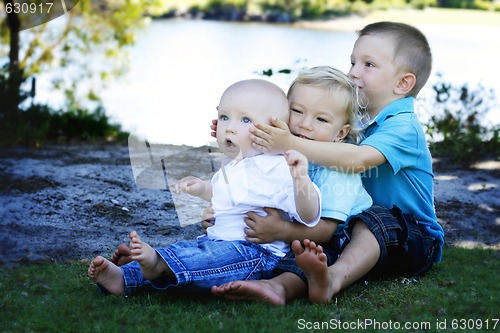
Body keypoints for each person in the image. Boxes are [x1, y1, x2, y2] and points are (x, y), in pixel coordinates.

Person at [211, 21, 445, 305]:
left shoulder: (403, 125)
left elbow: (358, 160)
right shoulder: (350, 120)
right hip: (345, 227)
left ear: (402, 83)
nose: (353, 72)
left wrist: (288, 142)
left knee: (373, 220)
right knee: (313, 248)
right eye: (353, 61)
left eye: (368, 64)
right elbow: (298, 129)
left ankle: (334, 278)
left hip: (411, 237)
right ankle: (279, 287)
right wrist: (240, 132)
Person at [87, 79, 322, 297]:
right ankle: (125, 278)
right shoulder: (235, 164)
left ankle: (156, 262)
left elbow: (309, 216)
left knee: (201, 259)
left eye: (245, 120)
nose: (229, 128)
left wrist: (301, 179)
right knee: (193, 254)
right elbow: (221, 194)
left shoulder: (279, 167)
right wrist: (201, 188)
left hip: (255, 255)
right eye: (225, 117)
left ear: (273, 130)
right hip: (215, 243)